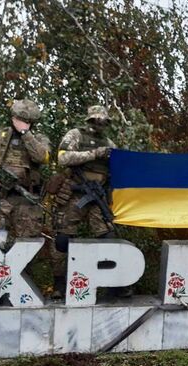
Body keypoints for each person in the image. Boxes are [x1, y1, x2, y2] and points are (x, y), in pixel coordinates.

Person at [51, 105, 118, 298]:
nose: (99, 124)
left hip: (97, 196)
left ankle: (113, 284)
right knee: (62, 241)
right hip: (74, 193)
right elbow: (63, 158)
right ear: (89, 120)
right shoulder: (76, 135)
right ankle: (59, 285)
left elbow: (118, 167)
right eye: (96, 120)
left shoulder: (109, 144)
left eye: (103, 121)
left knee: (108, 238)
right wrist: (94, 154)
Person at [0, 99, 50, 244]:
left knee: (27, 246)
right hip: (0, 198)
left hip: (27, 201)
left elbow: (42, 157)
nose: (21, 122)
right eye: (19, 119)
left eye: (26, 121)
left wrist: (25, 133)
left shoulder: (39, 139)